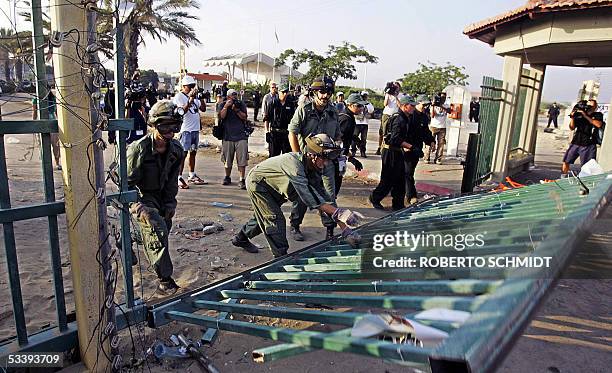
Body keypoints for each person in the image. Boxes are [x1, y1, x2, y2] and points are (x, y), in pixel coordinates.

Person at [231, 134, 363, 257]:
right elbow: (308, 196)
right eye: (324, 159)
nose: (327, 163)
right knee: (273, 219)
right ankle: (281, 258)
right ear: (313, 155)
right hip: (259, 184)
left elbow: (325, 199)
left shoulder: (313, 168)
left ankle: (240, 239)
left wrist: (345, 229)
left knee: (263, 216)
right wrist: (339, 213)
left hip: (276, 187)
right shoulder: (294, 165)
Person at [127, 100, 185, 294]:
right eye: (166, 125)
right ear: (154, 125)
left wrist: (170, 203)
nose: (171, 130)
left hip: (160, 196)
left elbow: (172, 180)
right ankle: (165, 280)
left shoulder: (176, 149)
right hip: (139, 195)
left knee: (163, 227)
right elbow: (124, 183)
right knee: (155, 225)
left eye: (175, 125)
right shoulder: (139, 149)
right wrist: (137, 204)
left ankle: (126, 238)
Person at [288, 76, 341, 241]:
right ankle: (295, 225)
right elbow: (292, 132)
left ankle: (330, 230)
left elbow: (338, 135)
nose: (325, 96)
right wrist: (297, 156)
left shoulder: (333, 112)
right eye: (322, 92)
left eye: (328, 92)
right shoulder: (304, 109)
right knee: (303, 195)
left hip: (327, 162)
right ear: (315, 92)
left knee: (329, 197)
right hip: (307, 161)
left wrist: (339, 151)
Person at [370, 95, 420, 210]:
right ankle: (375, 198)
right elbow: (395, 139)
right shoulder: (399, 119)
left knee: (400, 179)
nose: (413, 108)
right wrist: (411, 147)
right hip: (390, 151)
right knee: (388, 179)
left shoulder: (405, 117)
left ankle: (398, 205)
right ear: (404, 106)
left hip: (397, 151)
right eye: (411, 106)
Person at [173, 75, 207, 189]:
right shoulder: (179, 97)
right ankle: (178, 177)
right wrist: (191, 99)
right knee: (183, 154)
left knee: (193, 152)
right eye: (189, 86)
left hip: (195, 129)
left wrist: (201, 97)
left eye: (193, 86)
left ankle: (192, 174)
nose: (191, 88)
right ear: (183, 86)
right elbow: (182, 111)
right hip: (186, 129)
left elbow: (203, 109)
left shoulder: (195, 96)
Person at [561, 99, 604, 176]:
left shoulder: (597, 115)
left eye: (592, 105)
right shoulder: (579, 114)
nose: (589, 107)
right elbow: (572, 128)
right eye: (588, 105)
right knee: (566, 161)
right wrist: (572, 118)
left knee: (587, 166)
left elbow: (598, 125)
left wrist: (585, 115)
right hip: (576, 142)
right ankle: (562, 177)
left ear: (595, 106)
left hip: (589, 144)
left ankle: (585, 182)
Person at [217, 89, 249, 189]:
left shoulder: (241, 104)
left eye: (235, 95)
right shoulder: (222, 104)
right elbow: (221, 116)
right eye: (232, 95)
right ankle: (227, 176)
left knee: (242, 160)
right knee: (227, 160)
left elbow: (244, 117)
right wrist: (226, 106)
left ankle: (241, 179)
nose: (234, 97)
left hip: (241, 136)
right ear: (228, 96)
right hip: (227, 136)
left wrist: (237, 110)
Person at [336, 93, 365, 194]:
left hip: (340, 155)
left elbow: (347, 134)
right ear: (351, 105)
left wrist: (356, 140)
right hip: (337, 156)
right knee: (336, 181)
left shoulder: (349, 116)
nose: (362, 108)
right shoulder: (346, 119)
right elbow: (339, 142)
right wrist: (350, 158)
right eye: (359, 106)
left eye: (362, 106)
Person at [32, 87, 61, 170]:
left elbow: (57, 112)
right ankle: (45, 165)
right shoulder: (36, 99)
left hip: (52, 123)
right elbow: (34, 111)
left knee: (55, 145)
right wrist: (34, 124)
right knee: (43, 145)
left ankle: (57, 163)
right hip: (41, 123)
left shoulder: (53, 98)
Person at [265, 84, 295, 157]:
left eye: (286, 92)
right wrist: (267, 132)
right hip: (275, 134)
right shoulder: (273, 103)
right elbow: (267, 119)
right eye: (283, 92)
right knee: (273, 157)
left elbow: (293, 120)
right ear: (278, 92)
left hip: (286, 134)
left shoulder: (290, 104)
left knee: (287, 157)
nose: (285, 94)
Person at [376, 82, 401, 155]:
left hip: (395, 115)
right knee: (383, 132)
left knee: (392, 132)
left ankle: (389, 147)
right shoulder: (388, 94)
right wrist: (388, 94)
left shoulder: (400, 96)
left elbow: (400, 106)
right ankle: (380, 147)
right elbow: (385, 104)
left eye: (397, 87)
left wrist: (396, 96)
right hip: (386, 114)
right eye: (394, 87)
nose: (395, 89)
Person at [426, 92, 450, 164]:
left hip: (442, 127)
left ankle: (438, 158)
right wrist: (433, 105)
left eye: (444, 98)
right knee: (429, 142)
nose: (443, 99)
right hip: (433, 126)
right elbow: (432, 115)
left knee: (441, 144)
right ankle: (427, 157)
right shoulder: (433, 106)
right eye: (442, 98)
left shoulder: (446, 105)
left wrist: (441, 106)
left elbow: (449, 111)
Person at [352, 90, 375, 157]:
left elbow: (371, 110)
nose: (364, 97)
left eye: (365, 96)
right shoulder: (357, 102)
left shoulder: (368, 104)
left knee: (364, 139)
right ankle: (353, 150)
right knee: (354, 137)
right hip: (357, 122)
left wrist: (366, 105)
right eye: (363, 95)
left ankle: (363, 151)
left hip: (365, 123)